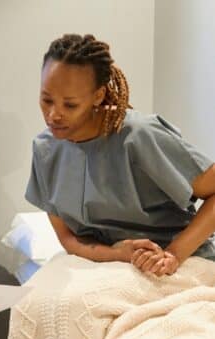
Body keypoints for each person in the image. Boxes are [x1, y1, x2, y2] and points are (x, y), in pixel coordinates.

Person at [26, 33, 215, 275]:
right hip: (107, 262)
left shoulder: (139, 136)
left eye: (70, 105)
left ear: (98, 96)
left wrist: (173, 255)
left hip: (173, 260)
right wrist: (118, 254)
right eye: (46, 100)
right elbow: (68, 239)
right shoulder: (45, 150)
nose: (53, 114)